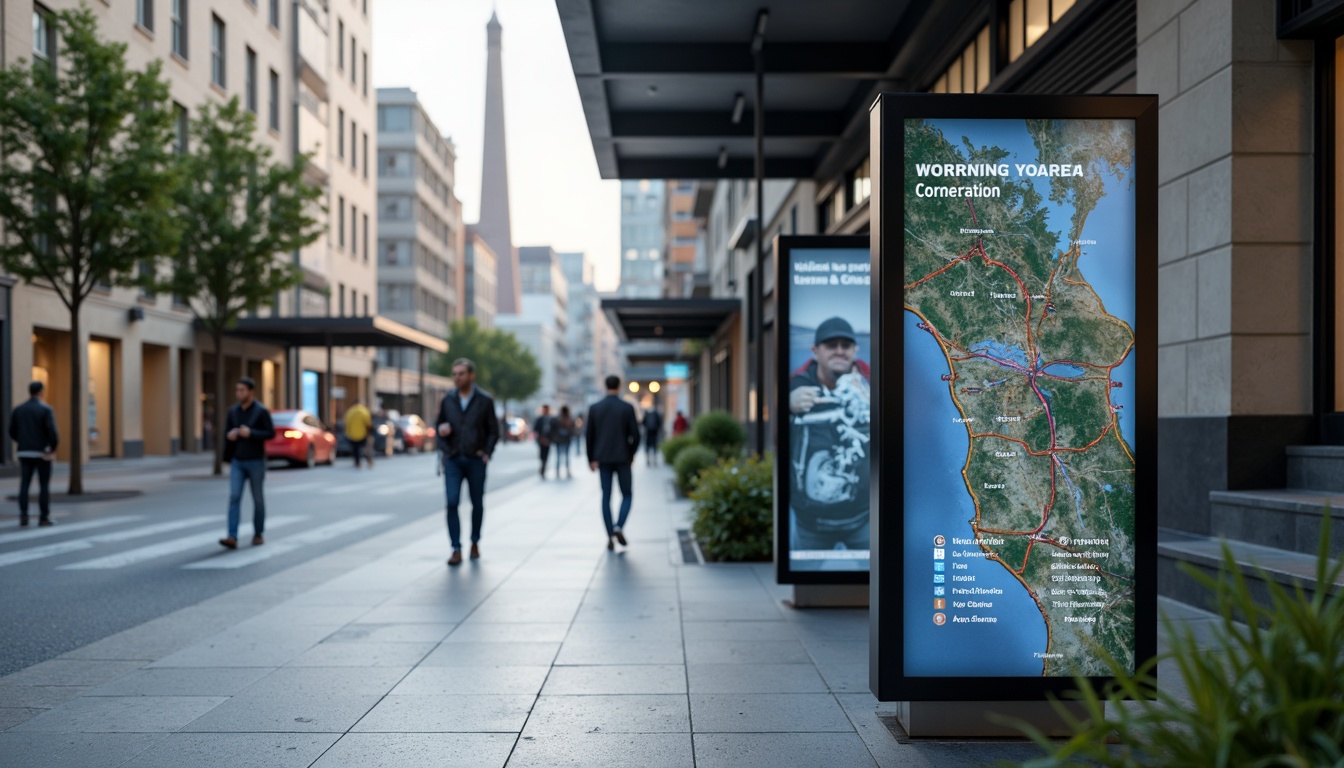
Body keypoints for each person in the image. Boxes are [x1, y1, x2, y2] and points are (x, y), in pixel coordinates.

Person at [788, 316, 872, 564]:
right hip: (810, 523)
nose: (839, 351)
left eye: (845, 345)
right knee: (806, 589)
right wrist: (788, 403)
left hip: (863, 518)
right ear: (815, 351)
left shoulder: (874, 384)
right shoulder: (797, 386)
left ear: (854, 350)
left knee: (873, 595)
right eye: (830, 345)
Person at [435, 358, 500, 566]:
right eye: (454, 374)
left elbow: (493, 430)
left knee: (477, 503)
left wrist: (487, 452)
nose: (457, 377)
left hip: (475, 459)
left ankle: (474, 542)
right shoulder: (448, 400)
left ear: (471, 375)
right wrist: (442, 434)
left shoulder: (484, 400)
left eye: (461, 374)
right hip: (453, 459)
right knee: (452, 502)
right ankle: (456, 548)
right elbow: (439, 427)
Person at [587, 375, 641, 551]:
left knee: (606, 496)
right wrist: (631, 454)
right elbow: (636, 435)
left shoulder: (595, 408)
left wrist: (591, 458)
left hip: (603, 459)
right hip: (623, 458)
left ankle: (610, 533)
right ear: (619, 386)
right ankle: (619, 526)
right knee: (627, 494)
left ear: (605, 386)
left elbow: (589, 436)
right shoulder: (626, 407)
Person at [221, 376, 275, 549]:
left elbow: (270, 433)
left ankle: (258, 533)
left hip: (256, 461)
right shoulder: (233, 411)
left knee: (257, 498)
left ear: (251, 392)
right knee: (234, 497)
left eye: (242, 390)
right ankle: (232, 536)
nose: (238, 393)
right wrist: (230, 436)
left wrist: (251, 433)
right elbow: (227, 432)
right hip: (238, 460)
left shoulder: (261, 411)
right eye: (237, 390)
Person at [9, 381, 59, 527]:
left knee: (24, 484)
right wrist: (52, 447)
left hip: (24, 451)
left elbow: (11, 430)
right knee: (44, 485)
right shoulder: (46, 409)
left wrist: (22, 441)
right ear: (41, 392)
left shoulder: (19, 410)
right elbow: (52, 432)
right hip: (42, 452)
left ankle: (23, 516)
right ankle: (43, 517)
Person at [344, 400, 373, 469]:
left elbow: (347, 423)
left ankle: (357, 463)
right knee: (365, 448)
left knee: (355, 449)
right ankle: (369, 461)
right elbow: (368, 423)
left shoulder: (350, 411)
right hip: (363, 434)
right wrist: (369, 433)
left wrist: (347, 433)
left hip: (352, 434)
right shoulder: (364, 411)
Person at [551, 405, 575, 479]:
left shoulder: (560, 418)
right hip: (563, 439)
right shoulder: (566, 419)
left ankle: (559, 471)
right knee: (564, 456)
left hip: (562, 439)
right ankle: (564, 471)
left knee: (560, 456)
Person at [533, 404, 555, 479]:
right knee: (542, 454)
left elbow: (553, 430)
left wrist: (550, 439)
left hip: (548, 440)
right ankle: (543, 465)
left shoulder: (551, 419)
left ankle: (544, 466)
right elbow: (535, 428)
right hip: (541, 440)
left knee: (546, 455)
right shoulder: (539, 419)